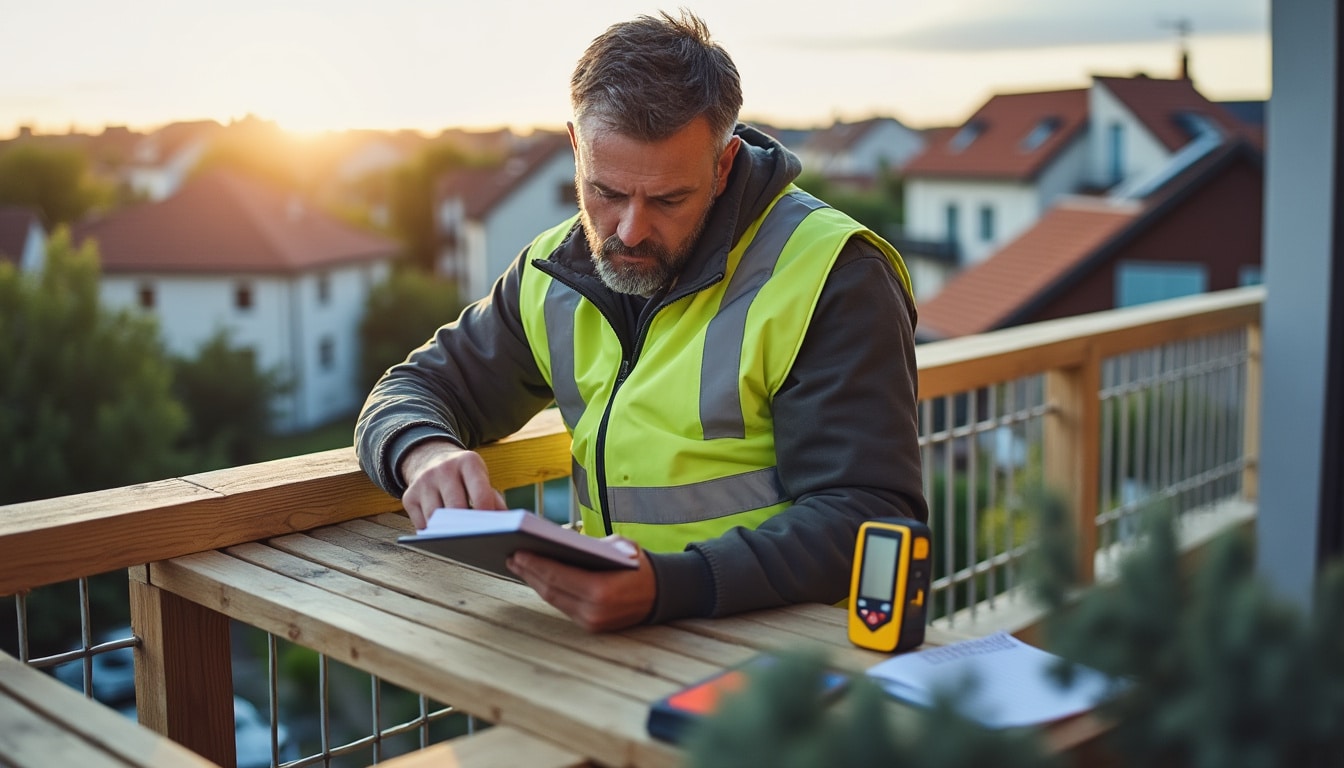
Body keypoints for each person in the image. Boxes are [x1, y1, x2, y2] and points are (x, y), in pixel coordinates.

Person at [355, 10, 927, 632]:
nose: (629, 230)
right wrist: (424, 453)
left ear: (724, 164)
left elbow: (871, 519)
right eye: (605, 191)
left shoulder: (834, 273)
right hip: (620, 647)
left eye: (667, 199)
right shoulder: (552, 272)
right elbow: (410, 389)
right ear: (575, 147)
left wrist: (670, 586)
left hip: (787, 674)